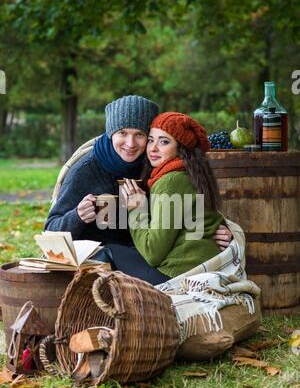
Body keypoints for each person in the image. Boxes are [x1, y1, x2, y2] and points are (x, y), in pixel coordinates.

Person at [45, 96, 232, 268]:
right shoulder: (86, 171)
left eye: (140, 135)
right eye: (122, 133)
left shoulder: (153, 163)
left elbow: (184, 200)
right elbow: (50, 233)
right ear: (111, 134)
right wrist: (76, 216)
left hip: (146, 256)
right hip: (99, 262)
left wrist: (213, 229)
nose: (131, 143)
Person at [107, 112, 227, 284]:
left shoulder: (170, 181)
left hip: (178, 274)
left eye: (164, 141)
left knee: (106, 251)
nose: (153, 148)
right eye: (150, 140)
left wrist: (136, 208)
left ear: (181, 148)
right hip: (200, 266)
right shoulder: (192, 173)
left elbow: (152, 253)